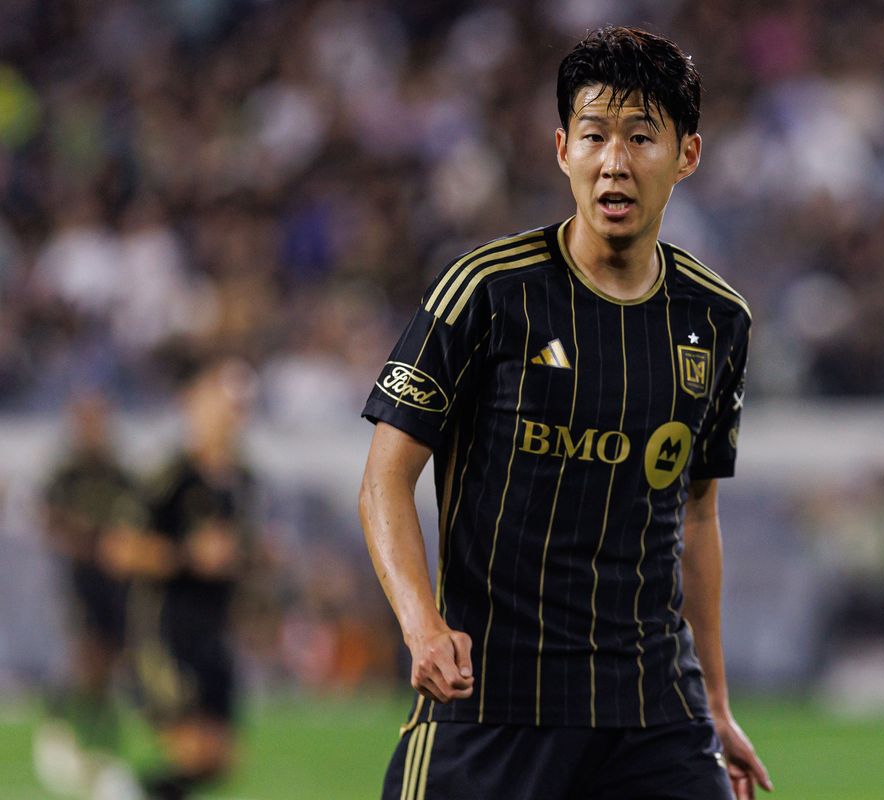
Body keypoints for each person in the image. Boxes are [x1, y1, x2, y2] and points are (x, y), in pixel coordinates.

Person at [360, 26, 772, 800]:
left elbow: (699, 515)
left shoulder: (718, 320)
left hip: (652, 710)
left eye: (641, 137)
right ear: (562, 150)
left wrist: (714, 702)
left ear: (687, 155)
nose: (615, 161)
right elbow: (385, 479)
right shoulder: (487, 291)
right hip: (492, 699)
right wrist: (421, 625)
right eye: (594, 135)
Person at [104, 354, 259, 799]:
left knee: (222, 759)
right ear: (195, 404)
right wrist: (188, 556)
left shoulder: (243, 480)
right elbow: (120, 548)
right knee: (195, 748)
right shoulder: (170, 476)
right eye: (223, 401)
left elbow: (236, 556)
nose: (232, 414)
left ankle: (126, 790)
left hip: (214, 632)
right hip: (167, 628)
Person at [36, 391, 143, 797]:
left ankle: (99, 738)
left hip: (117, 579)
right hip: (83, 577)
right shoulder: (69, 474)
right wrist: (85, 540)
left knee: (113, 658)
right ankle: (60, 721)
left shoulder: (119, 474)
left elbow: (135, 518)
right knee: (91, 654)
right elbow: (50, 521)